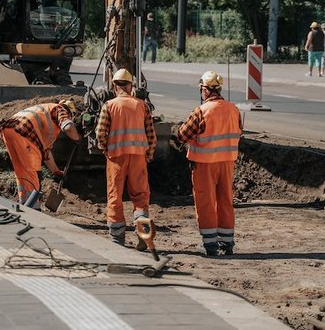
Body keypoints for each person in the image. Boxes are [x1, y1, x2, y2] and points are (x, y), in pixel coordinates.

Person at [172, 71, 242, 256]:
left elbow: (182, 135)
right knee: (225, 200)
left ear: (205, 90)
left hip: (204, 164)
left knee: (206, 202)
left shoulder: (201, 111)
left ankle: (210, 245)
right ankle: (227, 243)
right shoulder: (234, 109)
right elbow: (238, 132)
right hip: (227, 163)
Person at [96, 68, 156, 247]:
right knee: (141, 196)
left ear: (114, 86)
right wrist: (148, 154)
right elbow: (151, 135)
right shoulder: (142, 105)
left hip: (116, 157)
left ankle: (117, 238)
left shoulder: (109, 106)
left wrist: (105, 149)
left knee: (115, 196)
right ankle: (143, 234)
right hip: (138, 157)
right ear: (131, 86)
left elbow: (100, 133)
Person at [0, 100, 81, 208]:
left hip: (8, 129)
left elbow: (46, 152)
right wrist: (76, 138)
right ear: (70, 114)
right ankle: (33, 208)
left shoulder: (45, 113)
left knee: (22, 171)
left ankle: (25, 204)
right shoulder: (60, 109)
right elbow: (68, 127)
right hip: (24, 131)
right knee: (33, 172)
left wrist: (55, 171)